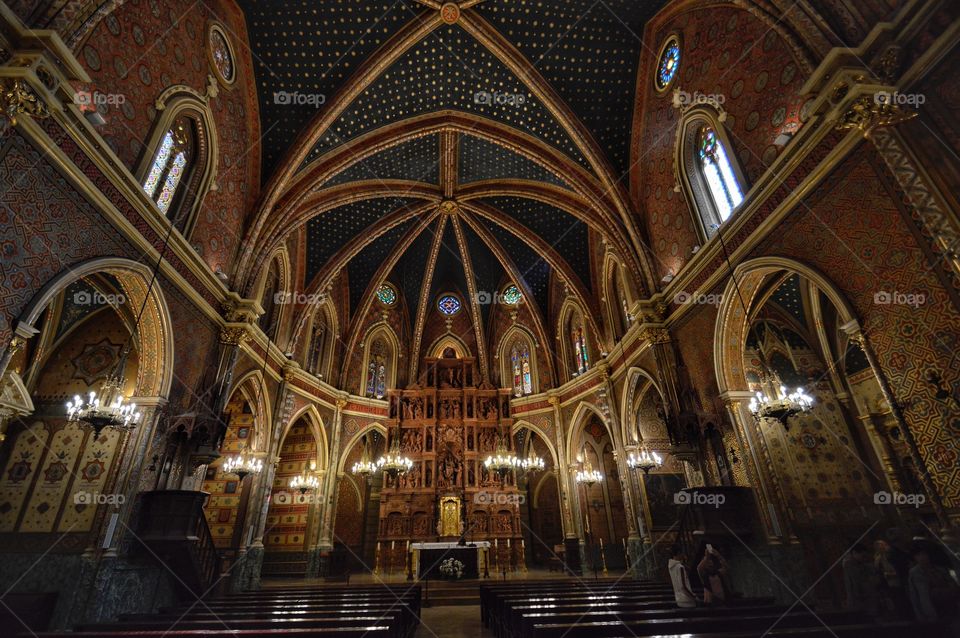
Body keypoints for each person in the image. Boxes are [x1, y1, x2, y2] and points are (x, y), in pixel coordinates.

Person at [908, 548, 959, 625]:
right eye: (918, 555)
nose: (922, 557)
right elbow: (920, 595)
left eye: (924, 554)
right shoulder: (916, 572)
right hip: (933, 610)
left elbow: (953, 585)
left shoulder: (940, 569)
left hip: (950, 607)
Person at [842, 543, 880, 615]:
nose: (864, 558)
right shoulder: (850, 566)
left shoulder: (862, 565)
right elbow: (854, 583)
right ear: (854, 553)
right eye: (862, 556)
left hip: (864, 597)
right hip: (860, 599)